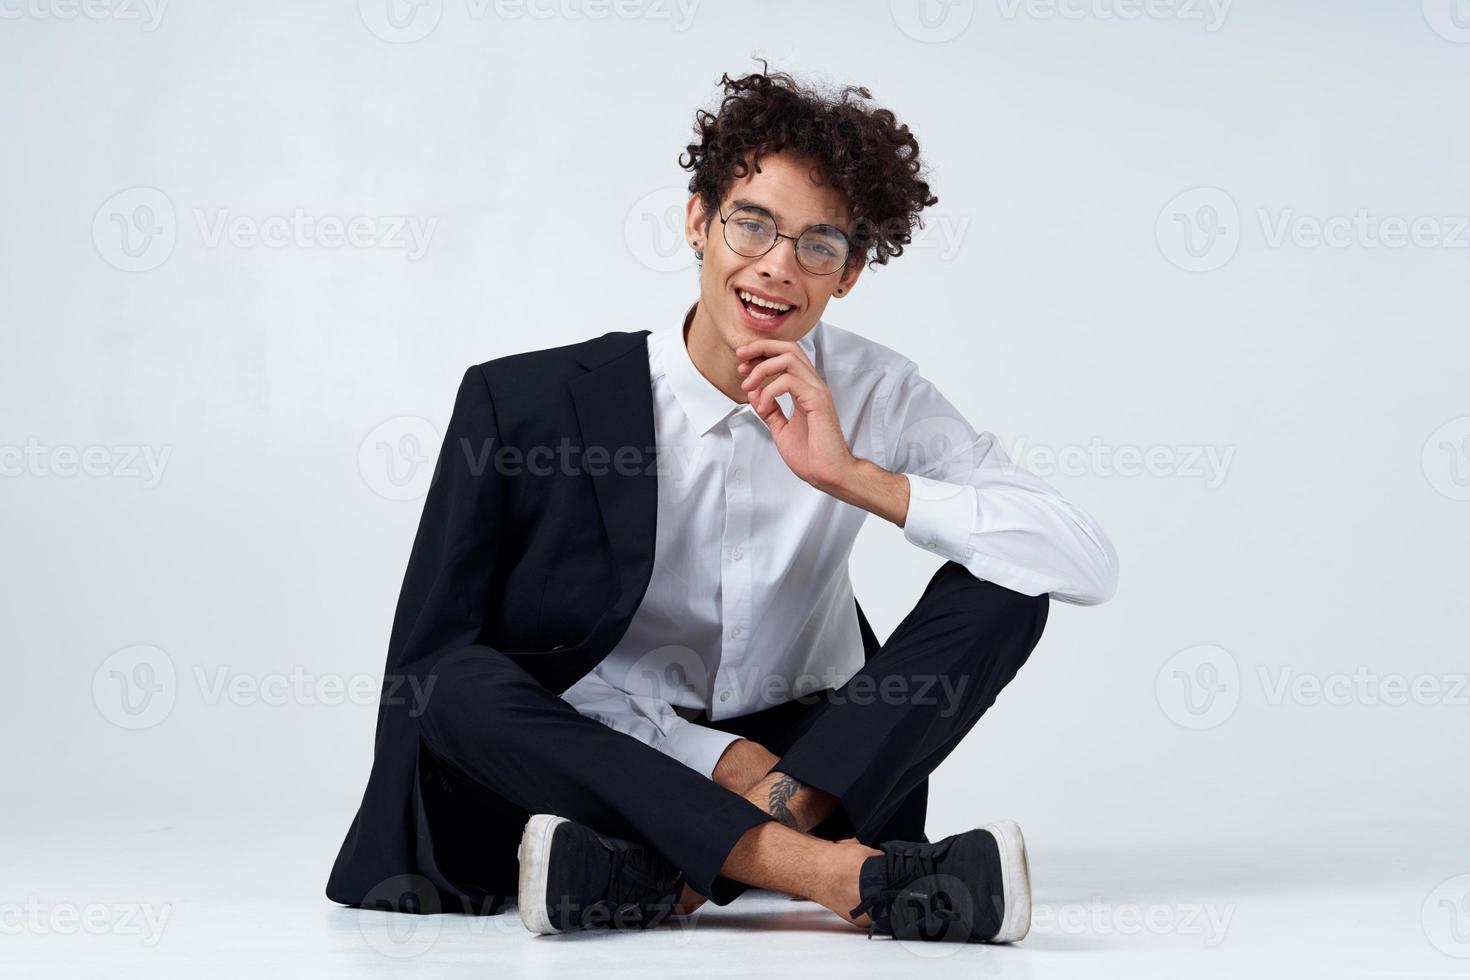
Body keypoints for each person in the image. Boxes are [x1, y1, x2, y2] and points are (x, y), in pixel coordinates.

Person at [327, 63, 1118, 945]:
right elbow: (430, 665)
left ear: (848, 274)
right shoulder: (527, 404)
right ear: (699, 222)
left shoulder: (877, 392)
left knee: (1008, 577)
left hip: (820, 752)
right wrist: (720, 762)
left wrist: (854, 476)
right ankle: (834, 873)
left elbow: (1084, 560)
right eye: (754, 225)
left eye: (819, 244)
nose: (779, 268)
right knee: (451, 681)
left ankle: (669, 877)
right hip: (608, 751)